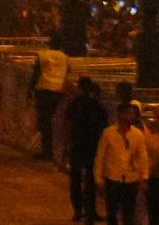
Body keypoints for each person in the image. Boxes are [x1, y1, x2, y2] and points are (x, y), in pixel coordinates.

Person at [64, 78, 111, 225]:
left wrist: (67, 144)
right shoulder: (98, 106)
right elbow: (104, 128)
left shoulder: (74, 104)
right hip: (92, 147)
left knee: (76, 179)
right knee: (90, 180)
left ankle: (78, 211)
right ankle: (90, 212)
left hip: (77, 145)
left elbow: (67, 125)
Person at [97, 100, 150, 225]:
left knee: (129, 213)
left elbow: (142, 157)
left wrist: (144, 177)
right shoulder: (108, 133)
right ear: (120, 114)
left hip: (131, 178)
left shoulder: (137, 135)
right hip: (113, 177)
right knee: (112, 213)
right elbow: (100, 156)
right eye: (129, 113)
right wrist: (98, 178)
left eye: (133, 114)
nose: (132, 116)